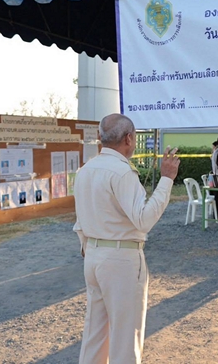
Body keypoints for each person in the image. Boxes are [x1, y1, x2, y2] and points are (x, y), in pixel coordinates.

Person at [72, 113, 180, 364]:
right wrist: (166, 179)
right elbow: (144, 220)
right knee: (125, 336)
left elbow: (80, 221)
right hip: (120, 258)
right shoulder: (122, 172)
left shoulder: (85, 170)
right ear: (129, 139)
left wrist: (89, 249)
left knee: (95, 334)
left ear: (100, 137)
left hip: (93, 255)